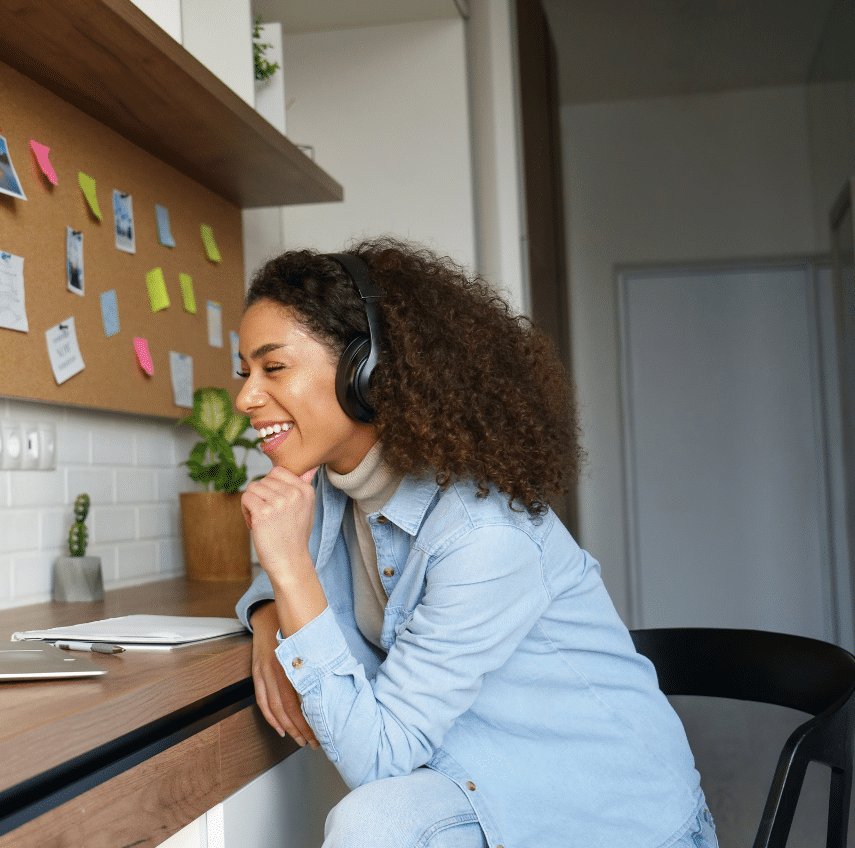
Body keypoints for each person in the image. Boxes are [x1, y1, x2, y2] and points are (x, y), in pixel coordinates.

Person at [233, 239, 716, 848]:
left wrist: (291, 574)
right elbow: (292, 561)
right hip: (482, 785)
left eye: (273, 368)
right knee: (374, 825)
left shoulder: (485, 535)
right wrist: (270, 612)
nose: (246, 397)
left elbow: (378, 759)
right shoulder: (328, 486)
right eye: (244, 371)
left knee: (371, 822)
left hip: (611, 818)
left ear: (367, 371)